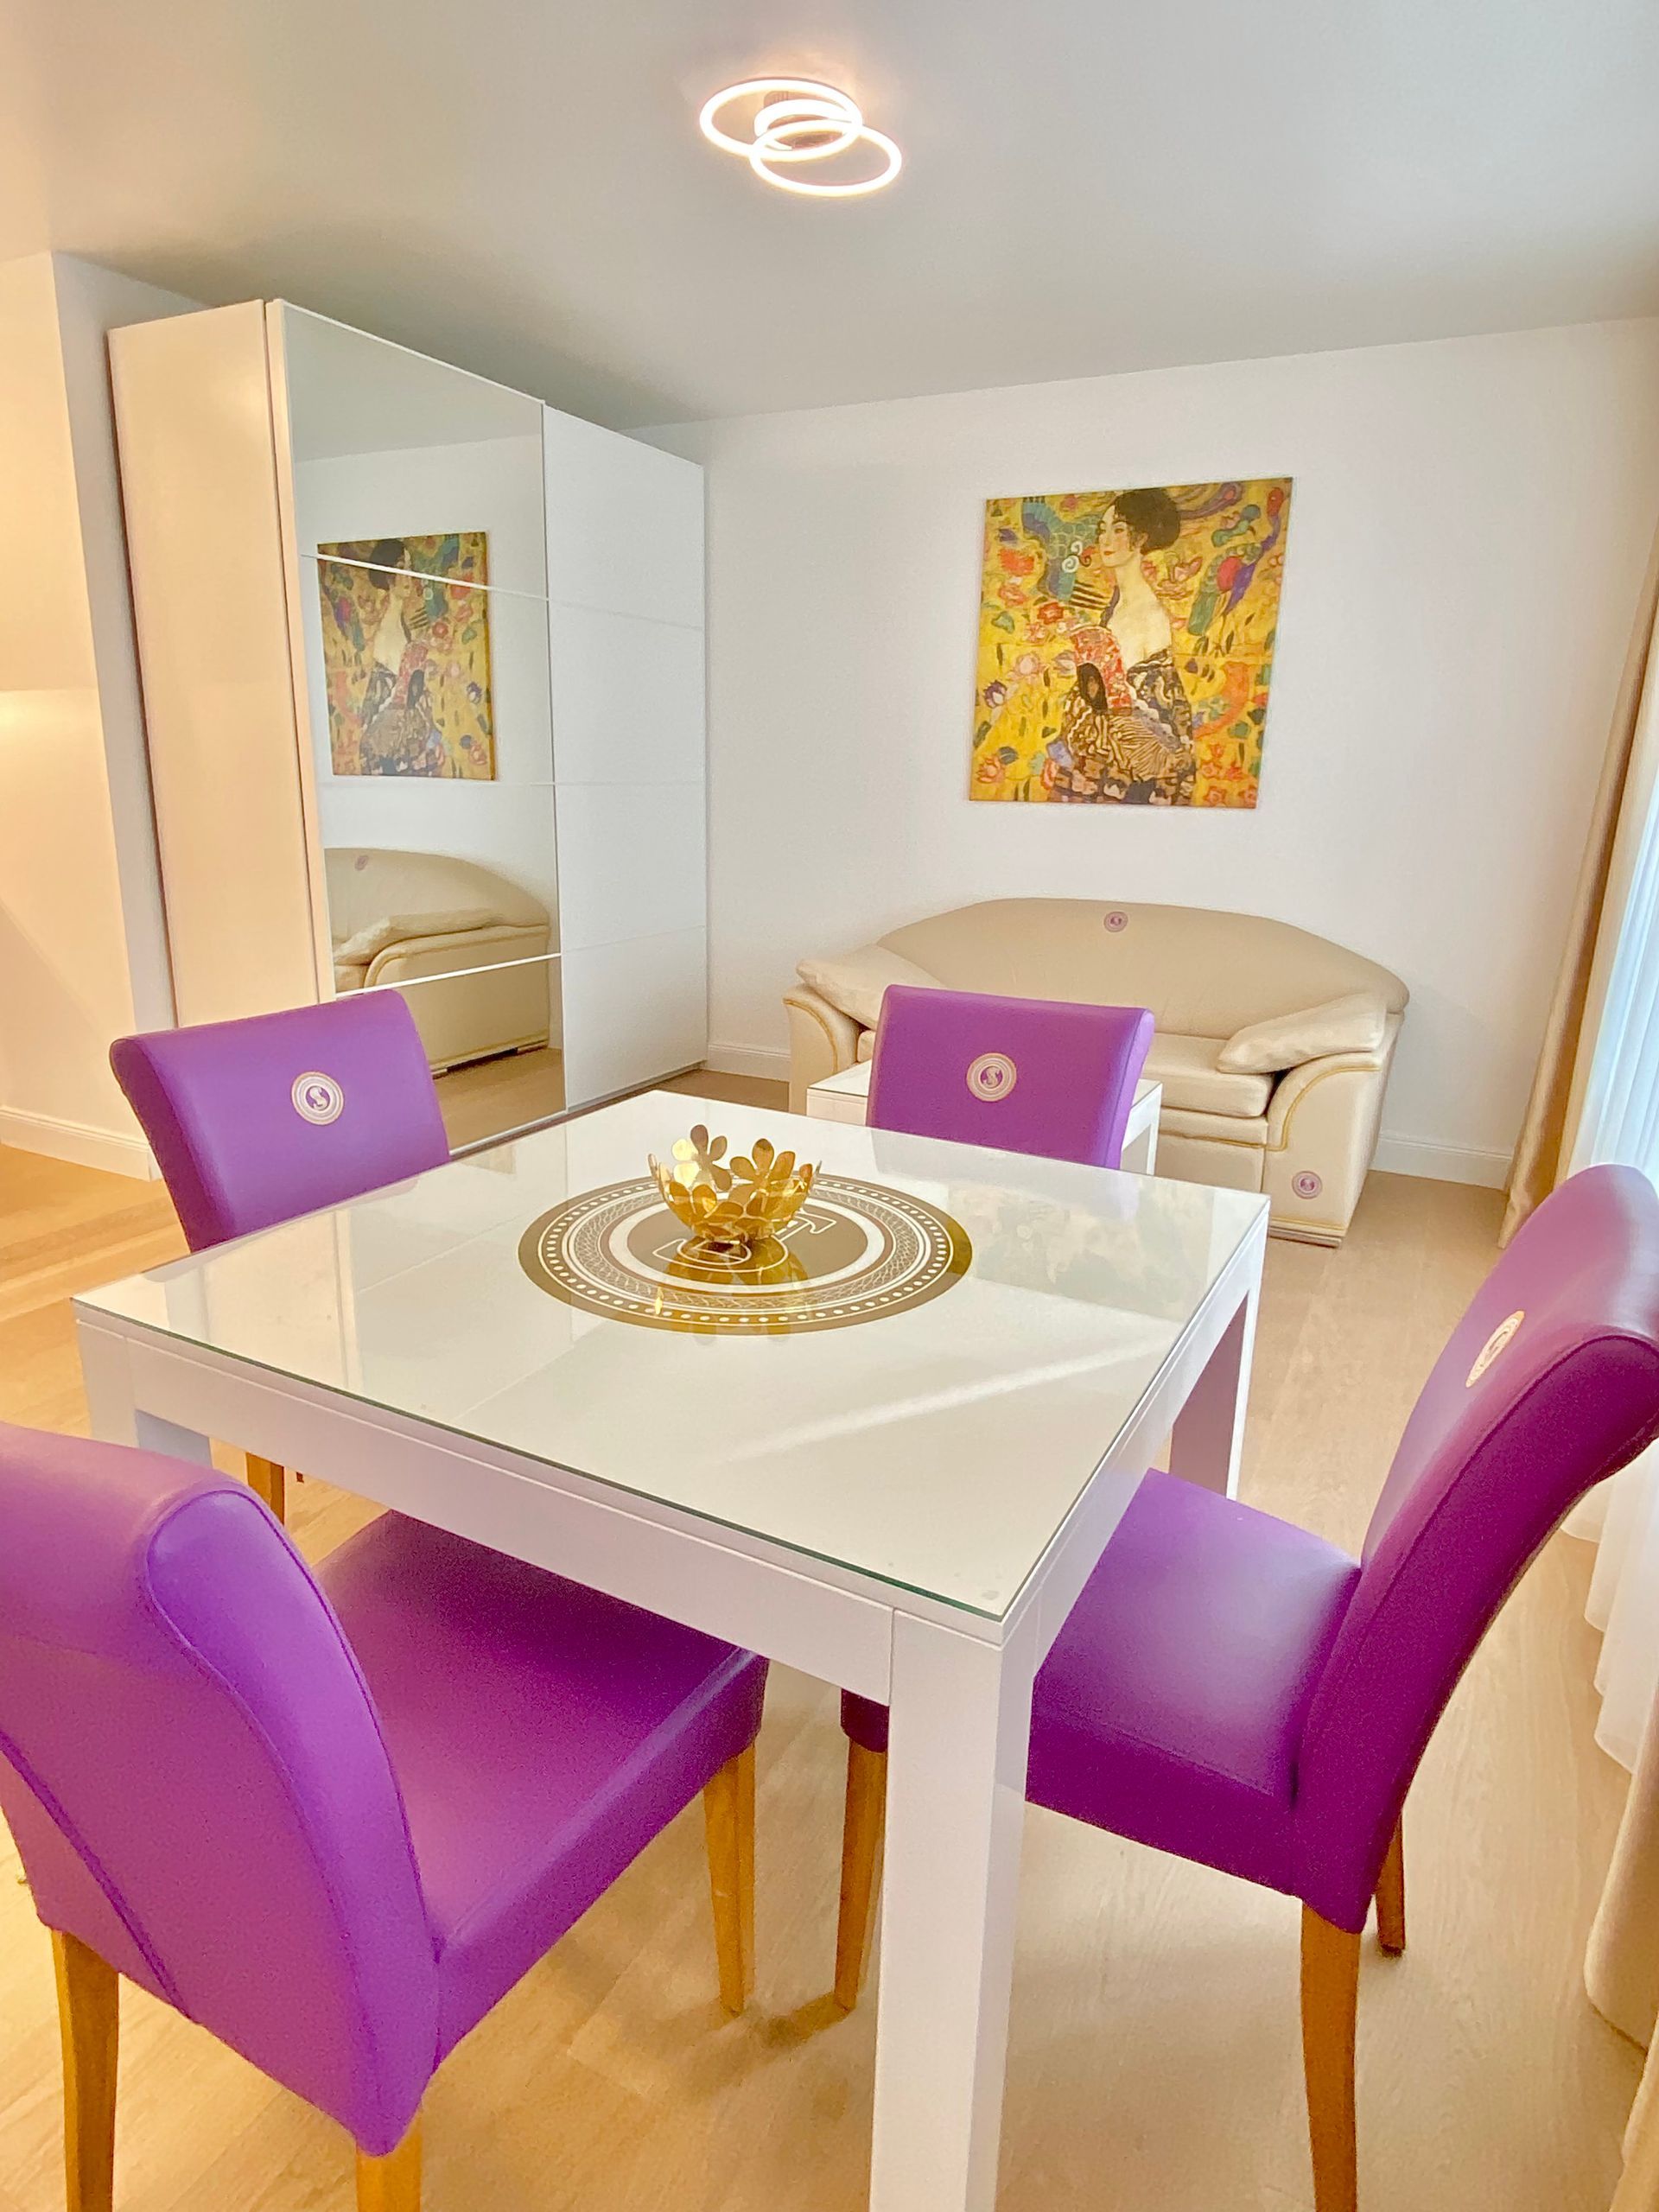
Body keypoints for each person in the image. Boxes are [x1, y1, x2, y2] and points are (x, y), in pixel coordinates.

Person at [1052, 490, 1196, 804]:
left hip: (1128, 774)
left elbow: (1152, 716)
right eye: (1102, 529)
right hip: (1094, 761)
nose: (1106, 539)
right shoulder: (1115, 607)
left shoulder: (1149, 614)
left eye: (1118, 529)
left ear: (1141, 537)